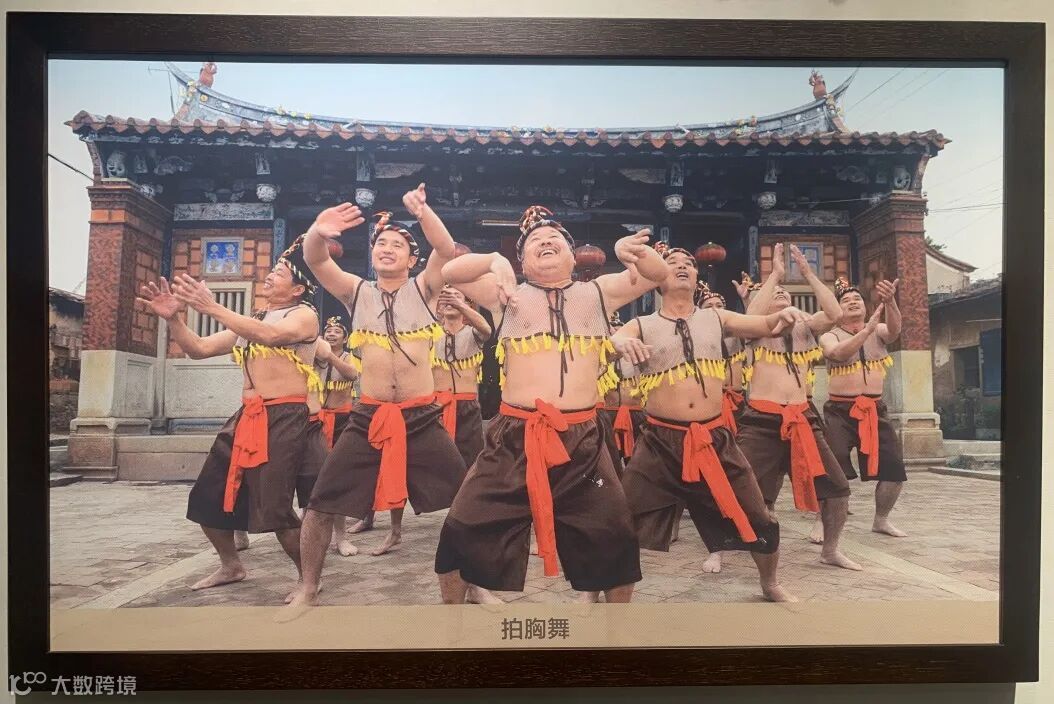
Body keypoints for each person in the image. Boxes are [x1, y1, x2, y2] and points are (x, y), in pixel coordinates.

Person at [434, 206, 669, 603]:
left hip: (582, 439)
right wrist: (493, 260)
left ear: (573, 257)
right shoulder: (506, 295)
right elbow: (450, 271)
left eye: (555, 239)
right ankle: (451, 622)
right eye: (534, 242)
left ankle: (616, 632)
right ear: (522, 262)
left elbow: (655, 275)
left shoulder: (598, 293)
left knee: (616, 538)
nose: (545, 241)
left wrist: (630, 251)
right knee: (461, 530)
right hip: (513, 437)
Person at [287, 184, 467, 608]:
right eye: (380, 244)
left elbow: (445, 248)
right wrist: (318, 231)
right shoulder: (357, 292)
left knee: (466, 502)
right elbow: (316, 260)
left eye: (397, 245)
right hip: (368, 415)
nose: (387, 249)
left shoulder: (425, 289)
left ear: (412, 259)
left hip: (422, 416)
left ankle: (474, 583)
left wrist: (422, 212)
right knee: (321, 502)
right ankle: (308, 587)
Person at [614, 244, 805, 602]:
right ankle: (601, 593)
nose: (682, 266)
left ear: (696, 275)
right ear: (657, 277)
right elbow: (618, 338)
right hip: (658, 442)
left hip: (714, 438)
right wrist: (620, 342)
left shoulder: (716, 318)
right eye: (672, 262)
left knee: (759, 515)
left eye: (688, 263)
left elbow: (763, 322)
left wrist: (781, 299)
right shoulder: (642, 324)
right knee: (620, 523)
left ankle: (770, 584)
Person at [137, 238, 322, 600]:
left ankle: (308, 579)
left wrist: (211, 306)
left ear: (297, 288)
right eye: (271, 270)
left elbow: (272, 336)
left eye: (279, 273)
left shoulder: (304, 315)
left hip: (285, 417)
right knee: (208, 498)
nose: (269, 276)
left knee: (275, 507)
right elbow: (199, 349)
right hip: (246, 416)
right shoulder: (253, 320)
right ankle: (231, 565)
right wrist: (174, 318)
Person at [738, 243, 860, 571]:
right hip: (761, 420)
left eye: (784, 291)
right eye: (773, 292)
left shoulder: (807, 327)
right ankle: (744, 551)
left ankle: (830, 550)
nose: (780, 292)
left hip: (802, 417)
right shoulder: (757, 329)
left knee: (837, 490)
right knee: (751, 493)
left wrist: (808, 274)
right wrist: (775, 274)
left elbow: (835, 315)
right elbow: (750, 317)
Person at [819, 276, 907, 539]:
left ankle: (881, 520)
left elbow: (894, 331)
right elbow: (837, 354)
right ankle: (821, 521)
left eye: (857, 298)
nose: (853, 302)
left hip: (874, 409)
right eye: (845, 300)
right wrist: (864, 332)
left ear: (866, 306)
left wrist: (890, 302)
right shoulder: (829, 335)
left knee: (894, 469)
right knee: (831, 466)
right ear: (837, 310)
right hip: (840, 411)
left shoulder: (878, 330)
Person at [690, 280, 748, 572]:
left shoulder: (739, 337)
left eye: (719, 306)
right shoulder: (695, 339)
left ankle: (751, 526)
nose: (715, 310)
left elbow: (756, 324)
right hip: (710, 413)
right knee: (712, 479)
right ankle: (716, 547)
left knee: (746, 475)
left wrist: (747, 301)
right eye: (708, 307)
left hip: (742, 409)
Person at [312, 315, 363, 557]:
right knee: (313, 478)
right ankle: (310, 534)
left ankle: (340, 538)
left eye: (337, 331)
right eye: (328, 330)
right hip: (316, 422)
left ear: (345, 338)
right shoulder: (314, 358)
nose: (331, 334)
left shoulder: (349, 357)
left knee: (338, 479)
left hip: (342, 422)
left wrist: (330, 356)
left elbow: (352, 375)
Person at [432, 285, 492, 469]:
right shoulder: (429, 335)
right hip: (436, 408)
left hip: (468, 409)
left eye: (456, 296)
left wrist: (459, 304)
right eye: (445, 296)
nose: (450, 300)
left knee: (470, 463)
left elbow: (487, 330)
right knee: (436, 464)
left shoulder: (474, 333)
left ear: (467, 304)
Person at [598, 313, 646, 475]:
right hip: (609, 414)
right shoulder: (602, 358)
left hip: (635, 414)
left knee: (637, 463)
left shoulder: (638, 356)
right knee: (611, 462)